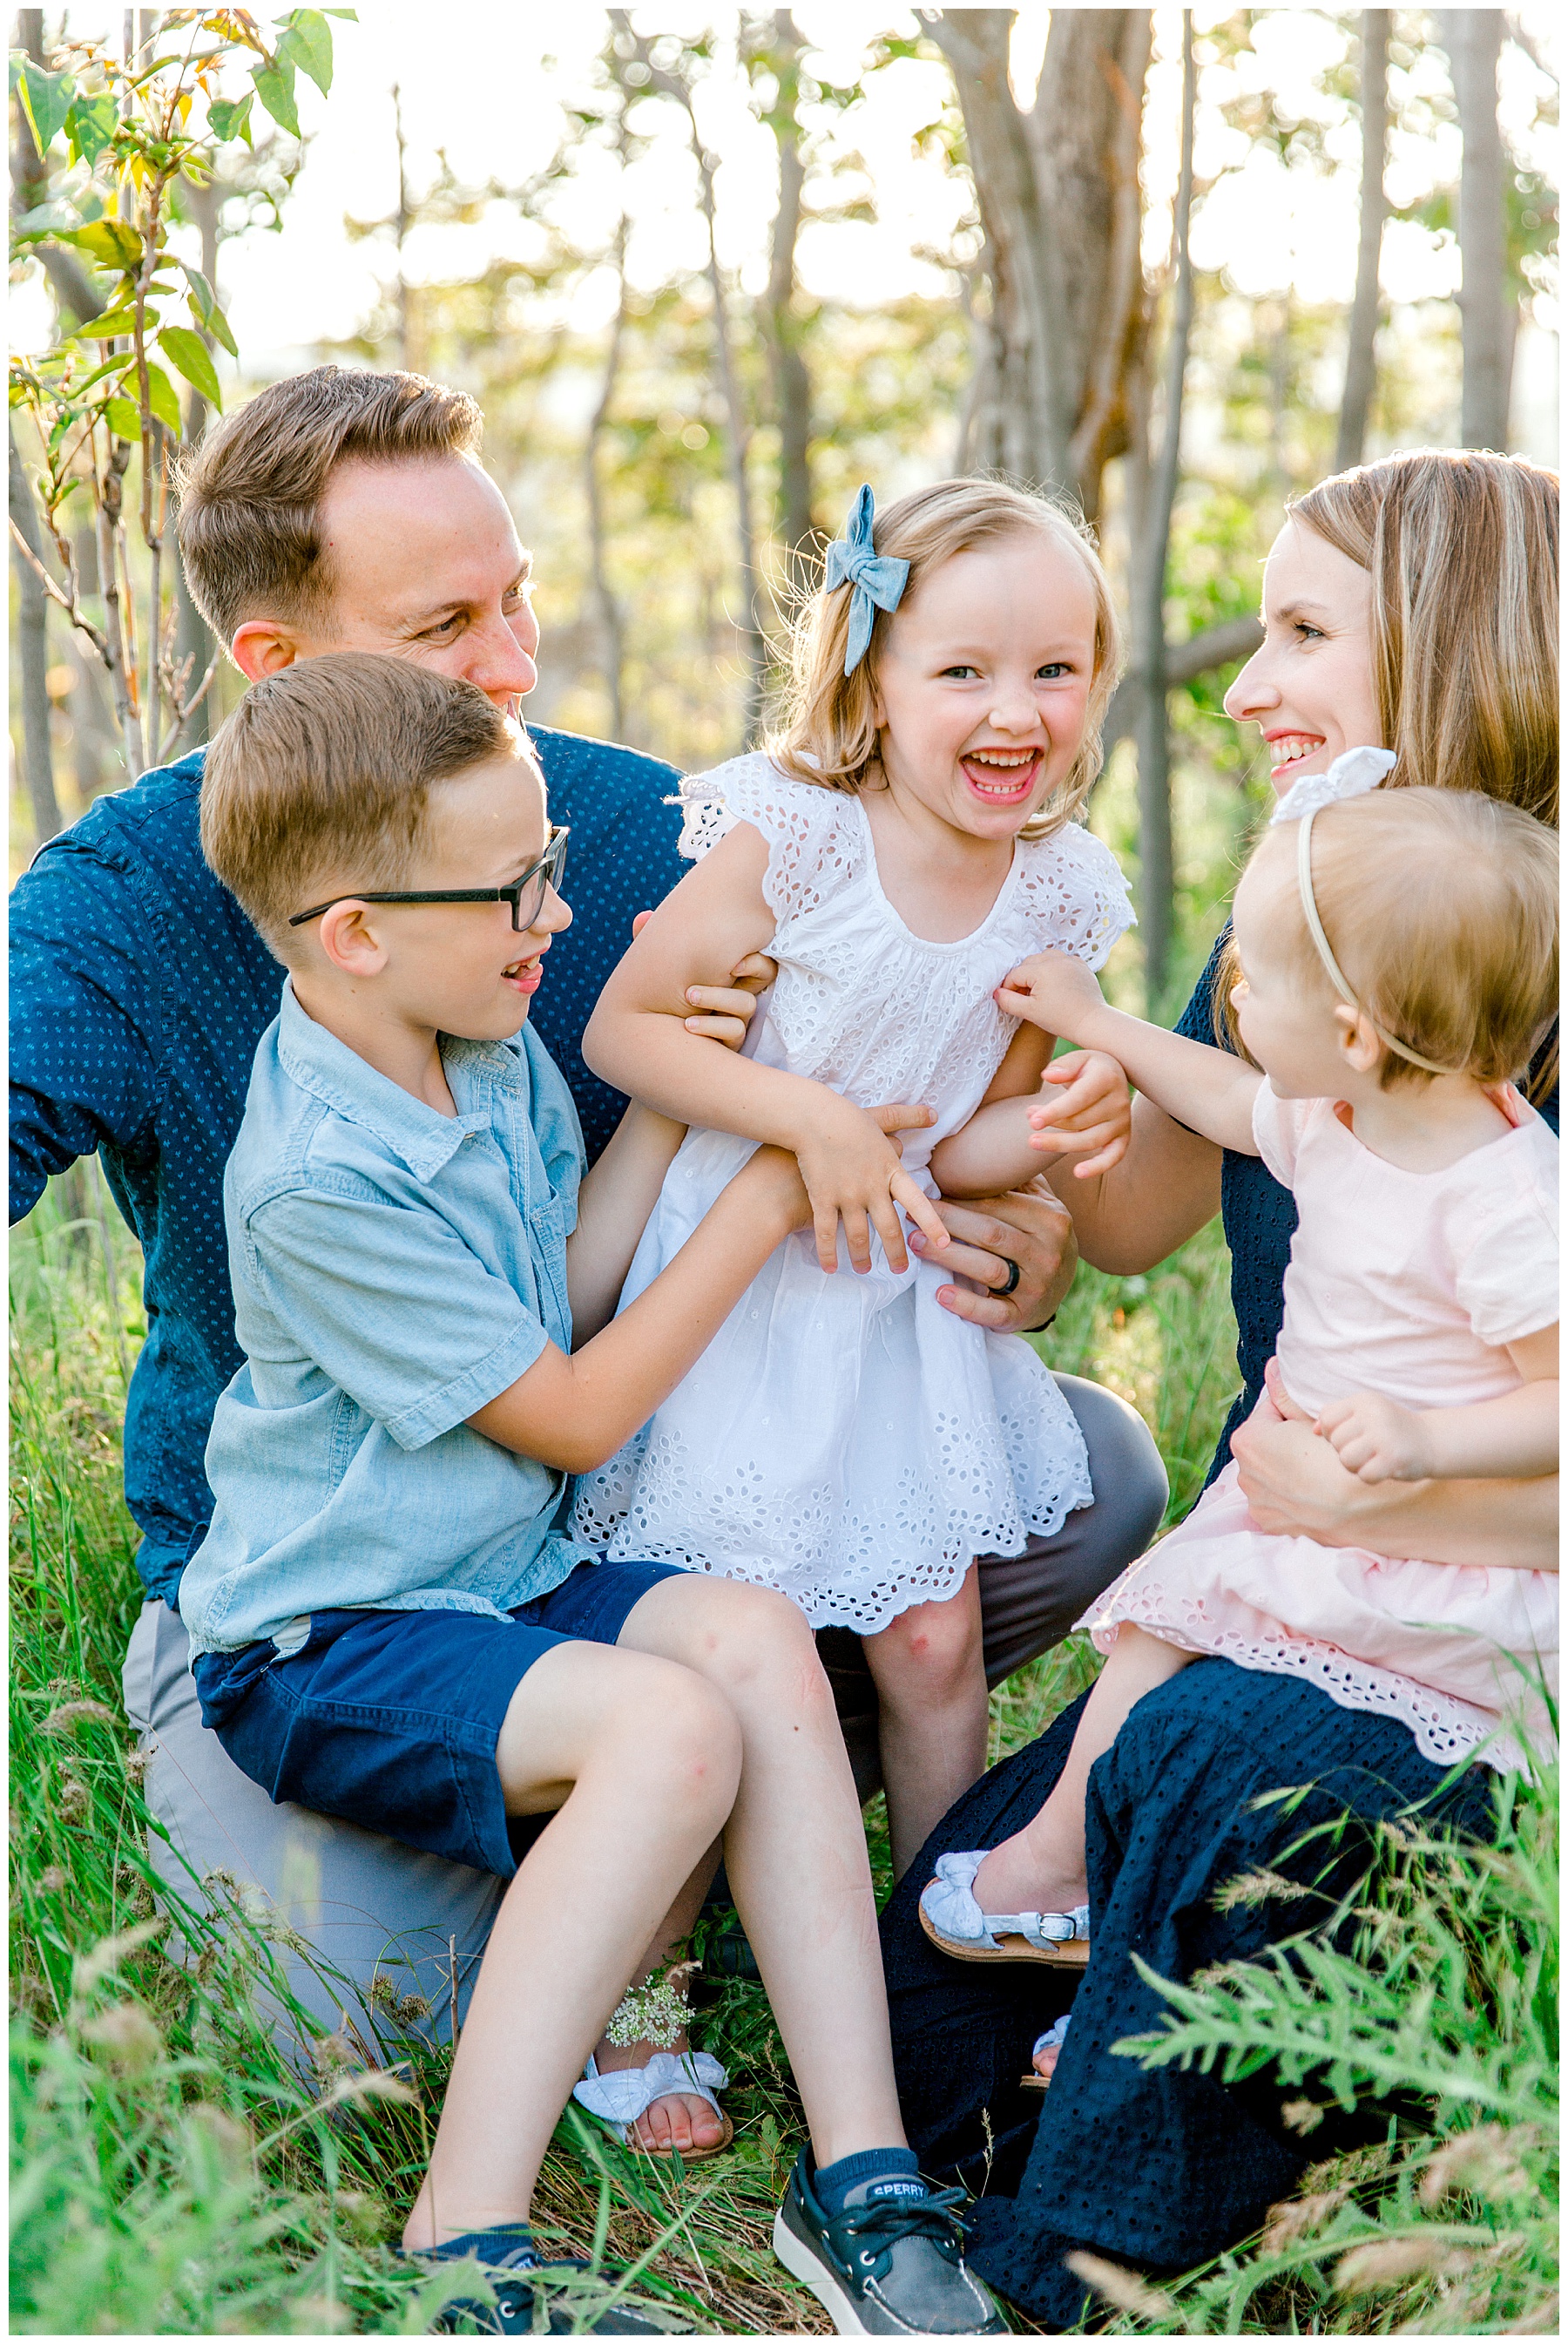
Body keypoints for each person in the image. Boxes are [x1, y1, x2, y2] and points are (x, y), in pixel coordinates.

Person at [8, 366, 1166, 2157]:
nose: (512, 659)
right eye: (446, 625)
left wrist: (1002, 1232)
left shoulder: (627, 822)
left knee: (1083, 1474)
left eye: (521, 594)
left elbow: (903, 1056)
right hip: (333, 1576)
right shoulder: (118, 906)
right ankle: (623, 1849)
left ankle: (738, 1836)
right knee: (346, 2042)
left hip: (628, 1511)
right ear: (274, 664)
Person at [176, 652, 1008, 2334]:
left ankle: (864, 2176)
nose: (552, 911)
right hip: (336, 1630)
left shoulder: (477, 1044)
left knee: (758, 1640)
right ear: (355, 929)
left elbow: (559, 1292)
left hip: (496, 1573)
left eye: (548, 860)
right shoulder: (316, 1179)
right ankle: (464, 2245)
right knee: (672, 1732)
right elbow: (566, 1410)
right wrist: (768, 1191)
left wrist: (650, 1114)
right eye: (516, 886)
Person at [878, 448, 1559, 2327]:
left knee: (1200, 1771)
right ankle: (1157, 2137)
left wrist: (1384, 1493)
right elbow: (1142, 1208)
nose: (1248, 685)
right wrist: (1045, 1147)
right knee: (930, 1943)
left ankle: (1086, 2257)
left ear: (1463, 650)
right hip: (1278, 1583)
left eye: (1304, 632)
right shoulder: (1312, 918)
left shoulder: (1511, 970)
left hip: (1475, 1622)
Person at [575, 479, 1139, 1879]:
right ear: (872, 678)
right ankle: (648, 1993)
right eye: (964, 671)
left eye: (1054, 671)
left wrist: (1070, 1106)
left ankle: (930, 1947)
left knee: (938, 1639)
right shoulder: (798, 829)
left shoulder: (1060, 887)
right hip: (735, 1299)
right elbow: (625, 1029)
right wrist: (806, 1118)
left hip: (891, 1301)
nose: (1016, 711)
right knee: (727, 1649)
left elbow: (963, 1141)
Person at [921, 768, 1557, 1992]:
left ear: (1359, 1032)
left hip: (1425, 1552)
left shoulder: (1505, 1202)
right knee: (1156, 1638)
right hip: (1293, 1503)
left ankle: (1086, 1910)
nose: (1236, 993)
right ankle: (1067, 1882)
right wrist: (1097, 1023)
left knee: (1178, 1659)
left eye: (1256, 979)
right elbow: (1221, 1094)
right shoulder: (1345, 1113)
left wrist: (1428, 1437)